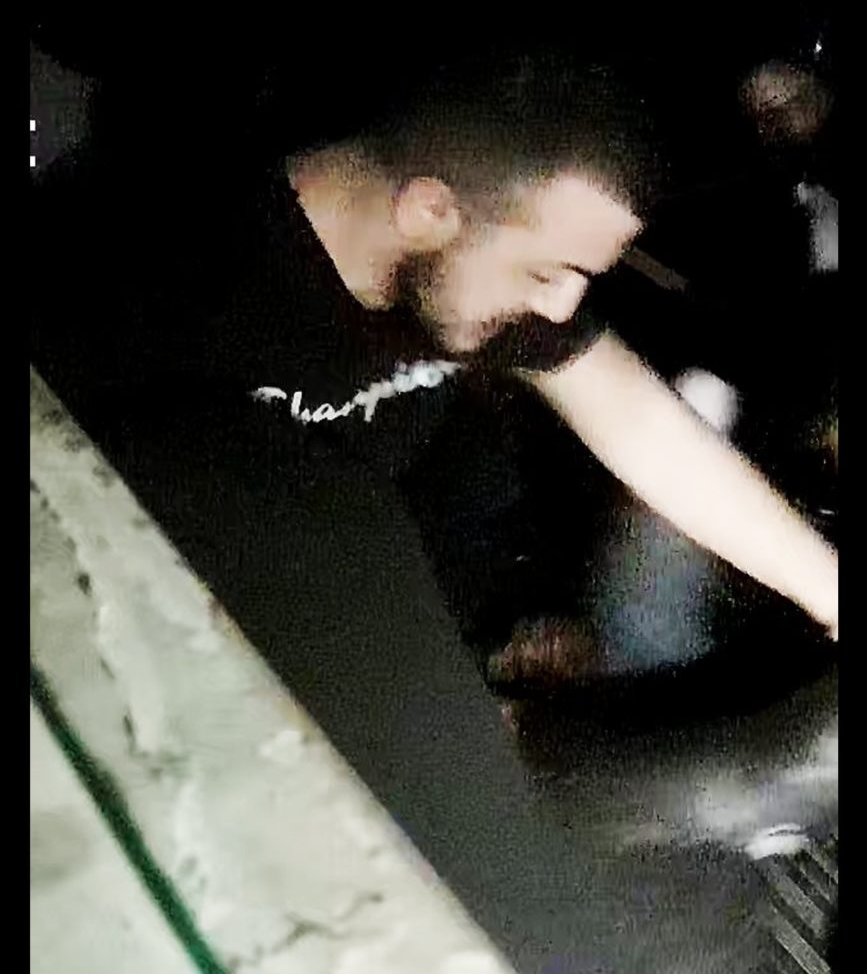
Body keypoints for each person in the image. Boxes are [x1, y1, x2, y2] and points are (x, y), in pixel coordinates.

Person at [31, 50, 838, 675]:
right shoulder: (143, 267)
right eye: (547, 272)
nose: (561, 308)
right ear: (427, 210)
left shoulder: (470, 270)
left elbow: (641, 423)